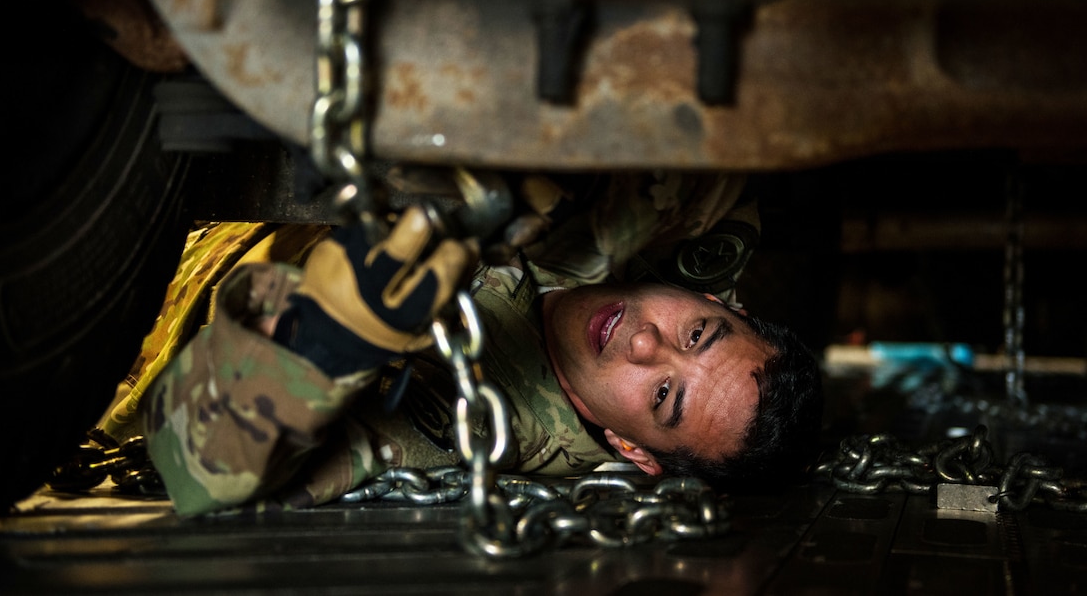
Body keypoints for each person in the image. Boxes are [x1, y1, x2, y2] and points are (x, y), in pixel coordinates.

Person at [135, 172, 823, 516]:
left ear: (634, 449)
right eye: (697, 333)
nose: (647, 341)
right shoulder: (691, 224)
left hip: (165, 270)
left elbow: (191, 468)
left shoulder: (464, 431)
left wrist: (319, 343)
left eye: (664, 395)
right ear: (719, 301)